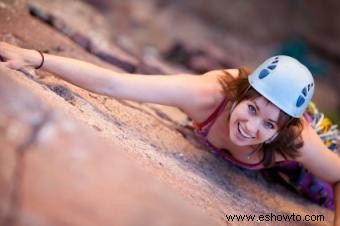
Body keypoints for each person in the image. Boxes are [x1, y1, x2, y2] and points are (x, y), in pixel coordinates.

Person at [0, 42, 339, 224]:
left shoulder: (293, 140)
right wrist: (36, 58)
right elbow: (115, 83)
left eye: (268, 124)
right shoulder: (207, 96)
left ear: (281, 129)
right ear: (239, 94)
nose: (251, 128)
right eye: (251, 110)